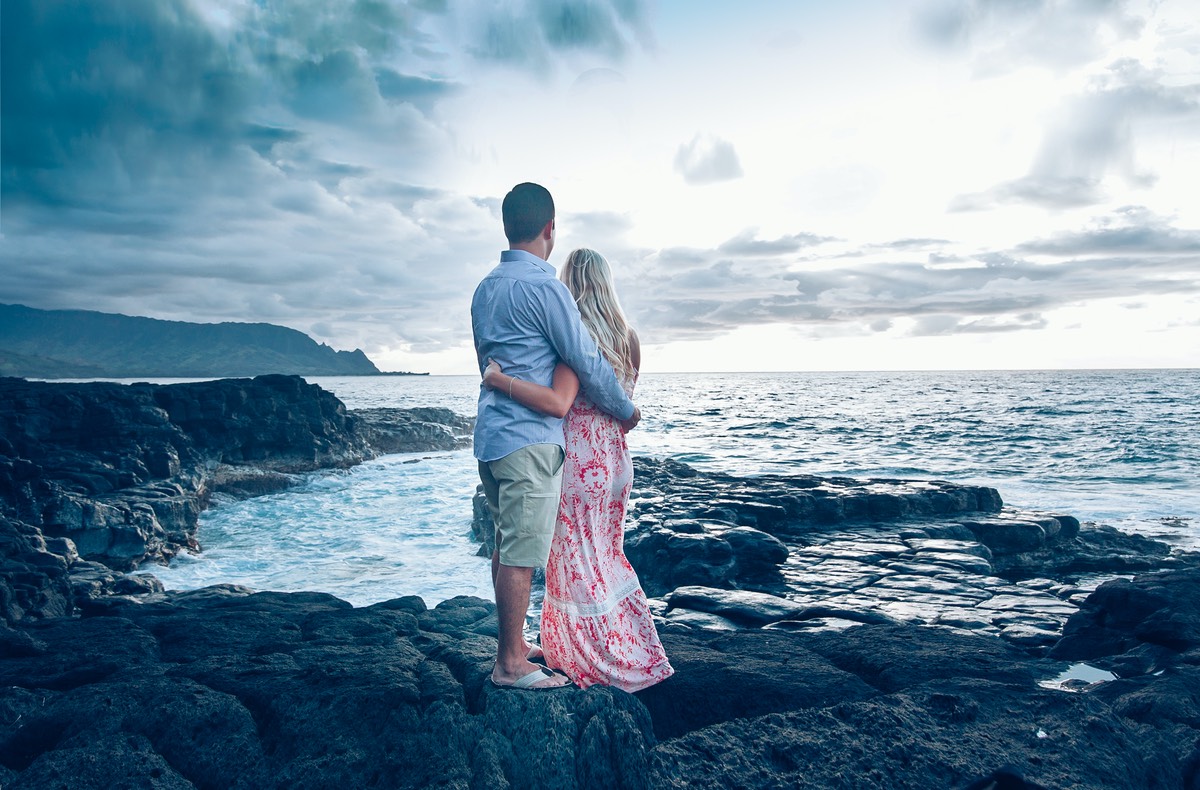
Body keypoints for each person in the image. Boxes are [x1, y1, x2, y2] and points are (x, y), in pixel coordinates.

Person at [471, 183, 641, 691]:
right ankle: (510, 665)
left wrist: (503, 383)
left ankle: (516, 645)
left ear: (506, 227)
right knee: (523, 554)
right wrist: (625, 409)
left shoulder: (484, 289)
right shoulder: (547, 289)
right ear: (550, 228)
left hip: (493, 438)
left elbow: (491, 362)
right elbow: (586, 361)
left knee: (505, 544)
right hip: (531, 441)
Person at [482, 247, 674, 693]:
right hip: (616, 460)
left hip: (581, 461)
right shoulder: (629, 337)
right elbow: (621, 395)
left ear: (572, 284)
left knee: (574, 560)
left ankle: (591, 658)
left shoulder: (576, 341)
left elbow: (561, 402)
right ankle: (632, 647)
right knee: (606, 554)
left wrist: (499, 380)